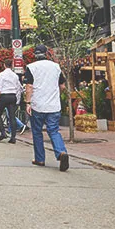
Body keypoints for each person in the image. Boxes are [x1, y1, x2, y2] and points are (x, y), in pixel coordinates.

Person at [25, 44, 69, 172]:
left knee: (37, 132)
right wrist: (56, 97)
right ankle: (61, 152)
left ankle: (40, 159)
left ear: (35, 55)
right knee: (53, 131)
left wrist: (28, 103)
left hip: (37, 105)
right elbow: (62, 86)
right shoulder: (56, 67)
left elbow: (29, 87)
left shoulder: (31, 67)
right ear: (47, 54)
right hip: (54, 106)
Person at [0, 58, 22, 144]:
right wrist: (17, 98)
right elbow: (19, 87)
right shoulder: (15, 75)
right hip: (12, 96)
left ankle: (3, 132)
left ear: (4, 65)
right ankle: (13, 137)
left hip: (4, 96)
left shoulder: (2, 74)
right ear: (12, 65)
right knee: (12, 116)